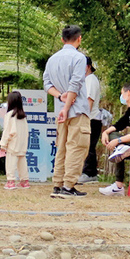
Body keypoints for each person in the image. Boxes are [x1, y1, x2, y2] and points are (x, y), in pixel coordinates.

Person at [43, 24, 90, 199]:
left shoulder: (52, 59)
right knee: (77, 147)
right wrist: (67, 106)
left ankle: (58, 183)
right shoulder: (79, 58)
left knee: (61, 147)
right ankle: (69, 186)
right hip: (75, 110)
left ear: (62, 39)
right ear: (79, 39)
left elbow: (47, 84)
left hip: (60, 113)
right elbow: (76, 83)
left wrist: (60, 97)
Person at [77, 56, 102, 184]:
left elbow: (89, 100)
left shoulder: (91, 80)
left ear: (87, 67)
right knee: (87, 146)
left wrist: (84, 117)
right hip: (90, 117)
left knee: (89, 146)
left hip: (92, 118)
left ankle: (89, 173)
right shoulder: (87, 80)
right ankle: (88, 172)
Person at [0, 90, 30, 190]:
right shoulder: (23, 116)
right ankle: (24, 182)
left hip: (13, 144)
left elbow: (7, 131)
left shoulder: (10, 115)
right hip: (22, 144)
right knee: (22, 163)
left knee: (10, 163)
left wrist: (3, 145)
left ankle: (11, 182)